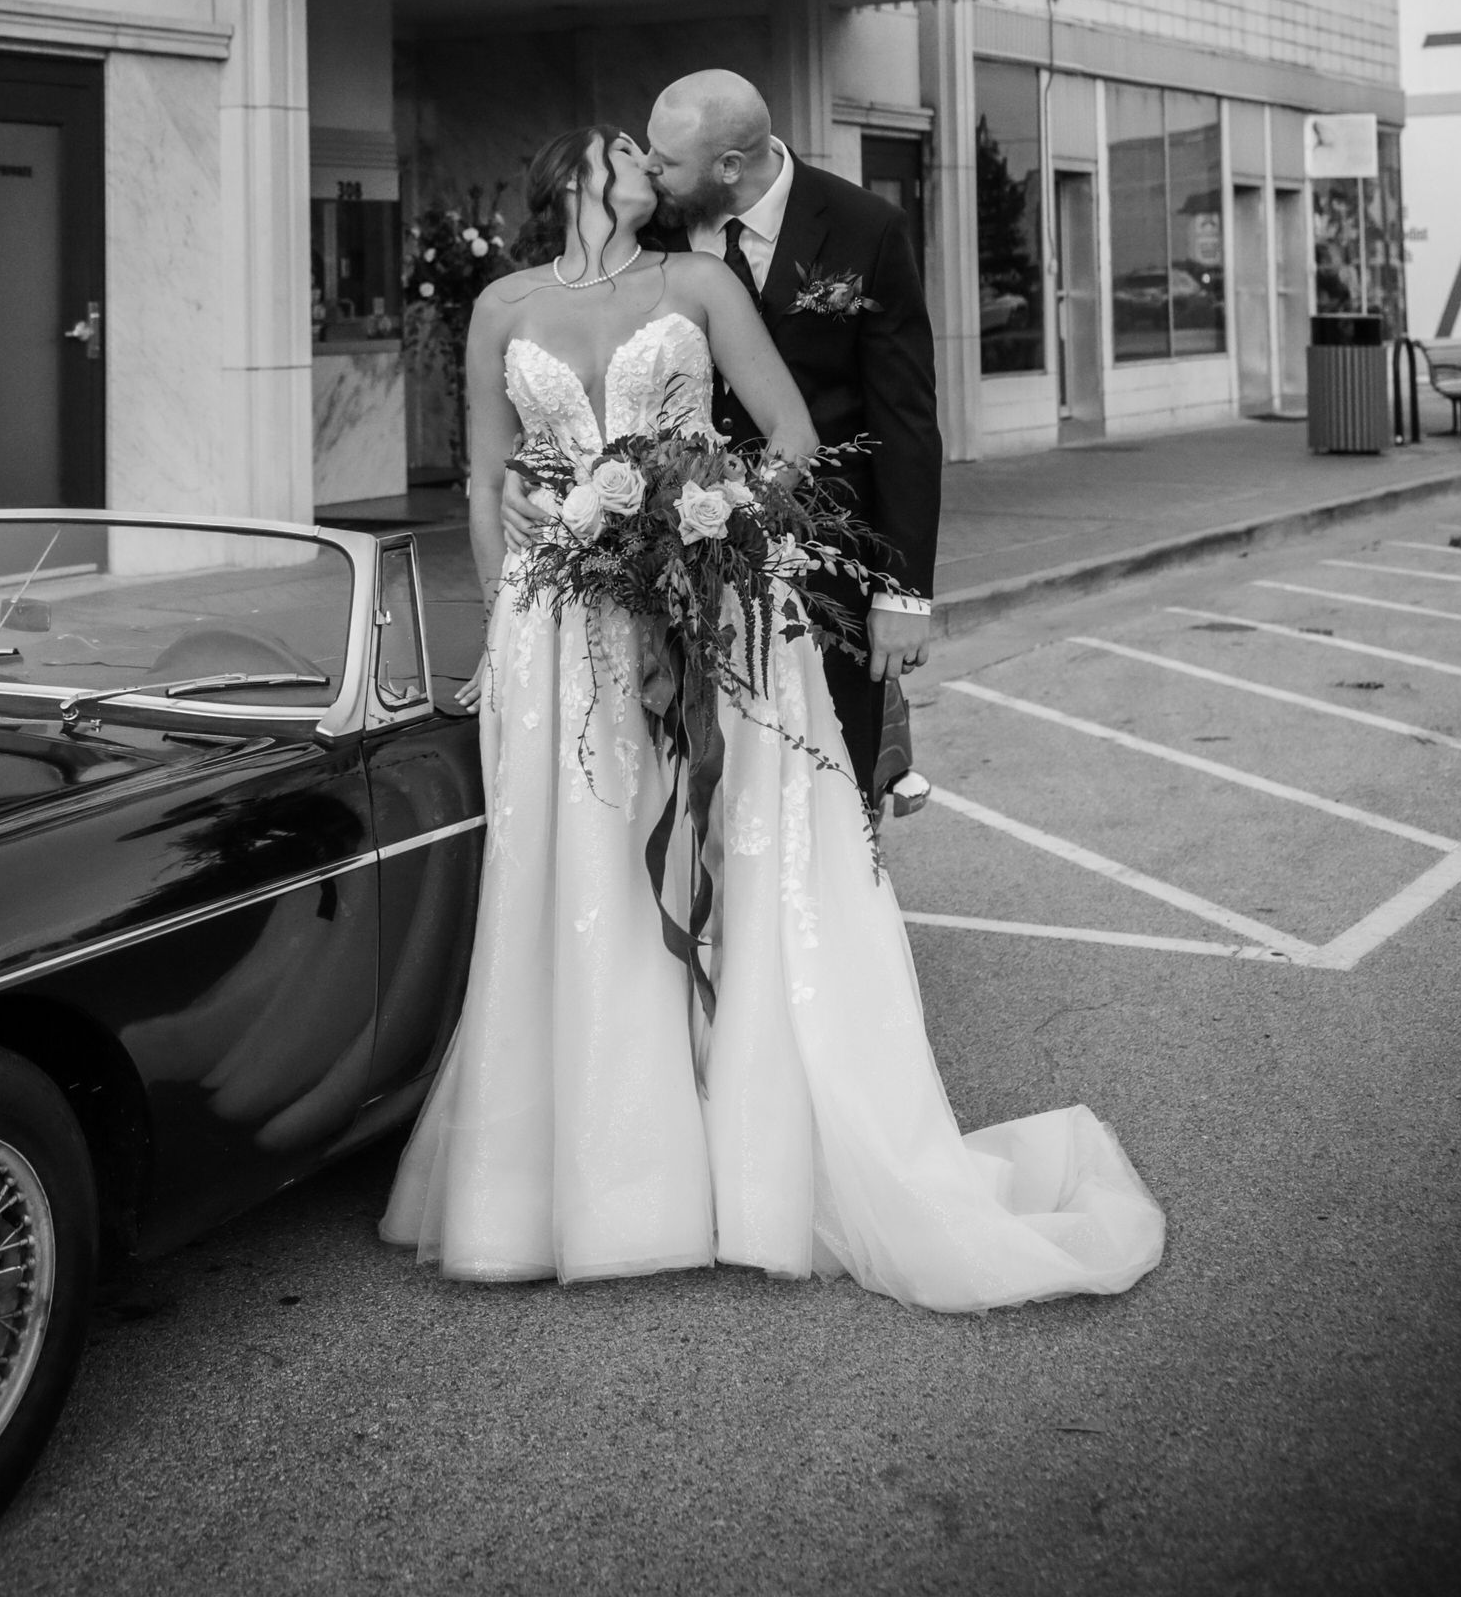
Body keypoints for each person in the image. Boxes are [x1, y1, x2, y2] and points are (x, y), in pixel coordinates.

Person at [381, 124, 1164, 1302]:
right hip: (555, 634)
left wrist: (700, 525)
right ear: (577, 181)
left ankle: (740, 1148)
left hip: (707, 603)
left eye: (658, 145)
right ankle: (593, 1183)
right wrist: (504, 625)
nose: (650, 159)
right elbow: (486, 480)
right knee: (579, 874)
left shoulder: (697, 284)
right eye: (628, 149)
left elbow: (792, 440)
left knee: (727, 852)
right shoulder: (500, 306)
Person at [642, 69, 941, 805]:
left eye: (667, 159)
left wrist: (902, 593)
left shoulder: (866, 227)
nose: (650, 171)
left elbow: (904, 416)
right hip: (675, 557)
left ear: (730, 167)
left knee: (831, 773)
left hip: (825, 560)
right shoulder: (650, 228)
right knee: (694, 777)